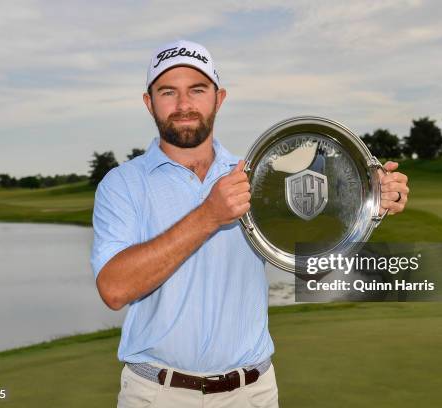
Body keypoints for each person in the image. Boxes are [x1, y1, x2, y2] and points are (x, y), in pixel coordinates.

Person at [90, 40, 409, 408]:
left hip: (250, 393)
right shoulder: (123, 184)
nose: (183, 105)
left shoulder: (259, 175)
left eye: (197, 90)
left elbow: (313, 268)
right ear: (149, 102)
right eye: (167, 92)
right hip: (156, 394)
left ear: (219, 98)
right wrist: (208, 215)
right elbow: (114, 290)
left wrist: (367, 204)